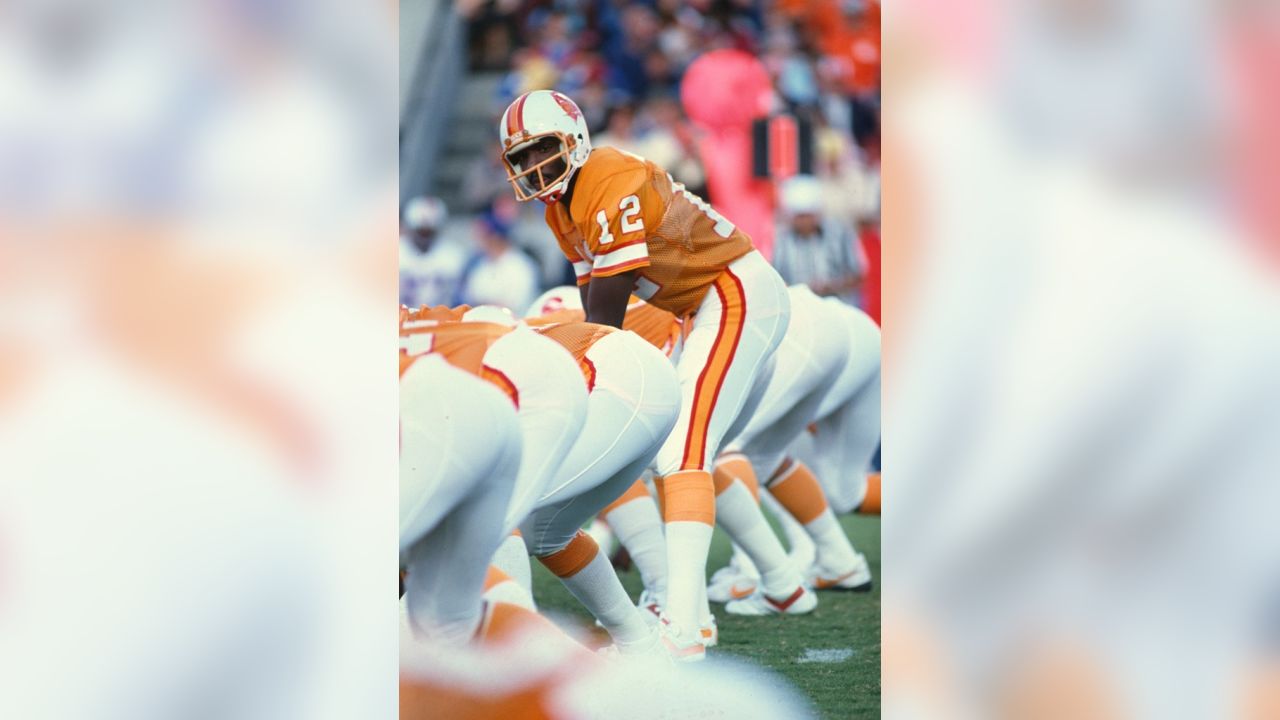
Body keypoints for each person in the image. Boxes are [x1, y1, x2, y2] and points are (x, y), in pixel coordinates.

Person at [498, 88, 791, 662]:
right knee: (683, 453)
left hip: (733, 291)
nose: (534, 167)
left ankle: (682, 627)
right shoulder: (562, 207)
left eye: (542, 150)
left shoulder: (606, 174)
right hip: (701, 305)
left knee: (683, 451)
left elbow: (606, 313)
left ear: (575, 138)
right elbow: (593, 311)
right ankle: (730, 602)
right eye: (522, 159)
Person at [770, 175, 866, 306]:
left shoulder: (840, 234)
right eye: (800, 216)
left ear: (817, 213)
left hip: (838, 307)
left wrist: (832, 286)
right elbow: (775, 280)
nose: (804, 221)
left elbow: (858, 273)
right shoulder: (781, 242)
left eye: (808, 215)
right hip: (800, 311)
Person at [456, 209, 541, 313]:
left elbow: (513, 306)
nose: (478, 239)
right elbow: (467, 299)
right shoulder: (480, 263)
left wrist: (482, 305)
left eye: (484, 235)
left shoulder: (520, 265)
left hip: (514, 325)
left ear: (496, 237)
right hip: (481, 323)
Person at [400, 196, 466, 308]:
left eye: (429, 232)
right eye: (421, 232)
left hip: (440, 322)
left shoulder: (453, 256)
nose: (424, 237)